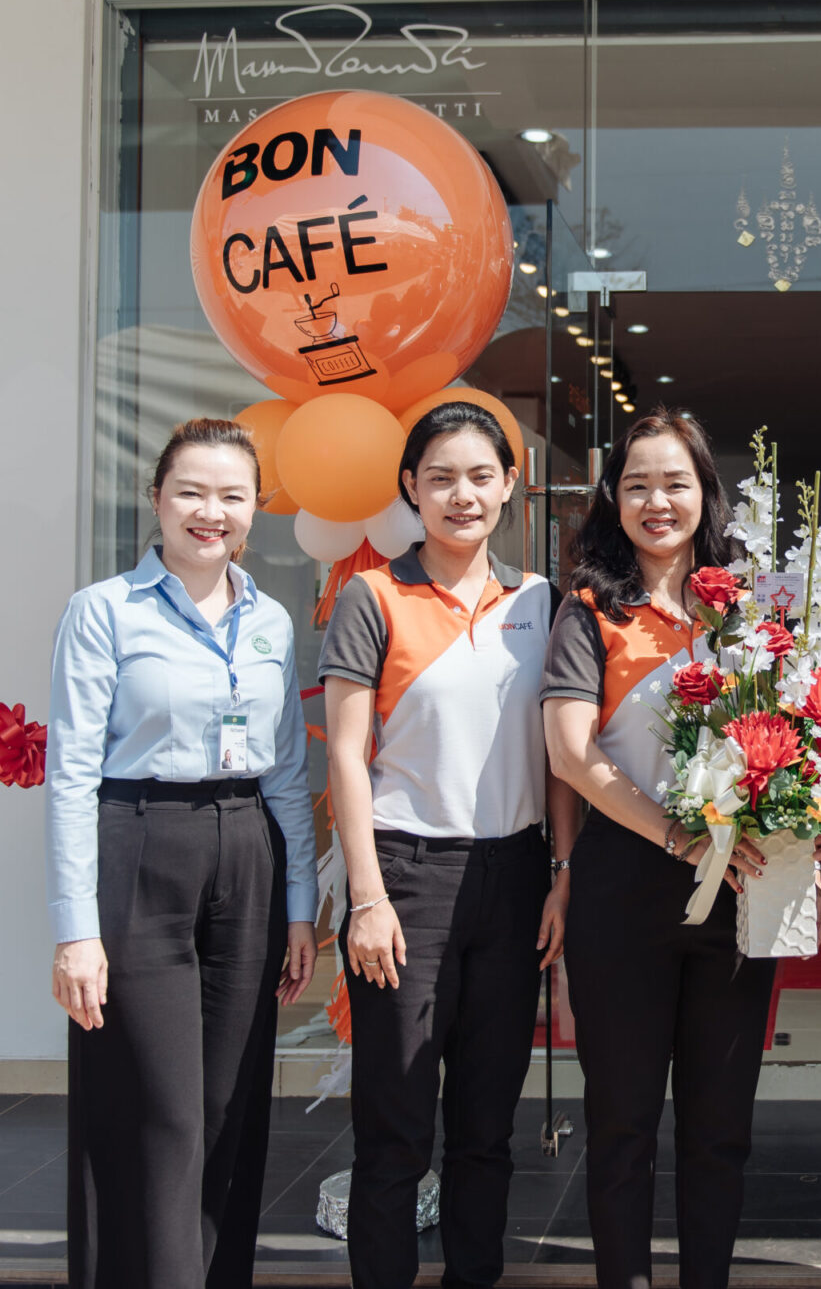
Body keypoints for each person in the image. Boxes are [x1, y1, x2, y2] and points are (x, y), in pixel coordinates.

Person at [45, 417, 319, 1289]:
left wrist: (301, 907)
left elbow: (287, 772)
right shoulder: (103, 611)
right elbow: (71, 774)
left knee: (228, 1104)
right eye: (191, 492)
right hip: (140, 843)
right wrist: (75, 930)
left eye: (232, 495)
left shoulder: (271, 618)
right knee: (160, 1108)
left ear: (256, 508)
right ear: (156, 499)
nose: (212, 512)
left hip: (247, 848)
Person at [319, 402, 576, 1289]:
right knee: (394, 1129)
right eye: (439, 478)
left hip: (514, 877)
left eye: (479, 476)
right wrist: (366, 897)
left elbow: (559, 754)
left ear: (510, 486)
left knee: (484, 1127)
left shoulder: (539, 601)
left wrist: (562, 873)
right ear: (410, 488)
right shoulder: (372, 596)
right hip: (406, 878)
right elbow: (346, 756)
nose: (461, 495)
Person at [540, 411, 772, 1289]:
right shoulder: (589, 609)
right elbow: (571, 753)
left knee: (720, 1128)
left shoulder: (747, 609)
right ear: (613, 498)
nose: (656, 501)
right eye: (636, 484)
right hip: (624, 889)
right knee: (623, 1124)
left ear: (706, 492)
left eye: (675, 482)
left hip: (736, 891)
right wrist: (675, 834)